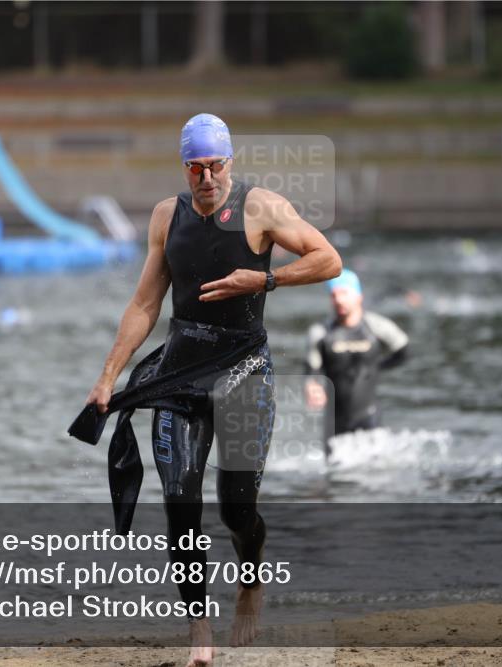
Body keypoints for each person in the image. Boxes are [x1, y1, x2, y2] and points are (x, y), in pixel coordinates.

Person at [80, 113, 341, 667]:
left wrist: (265, 278)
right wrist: (108, 376)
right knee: (180, 502)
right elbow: (145, 305)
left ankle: (250, 577)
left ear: (230, 162)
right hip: (180, 374)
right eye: (195, 167)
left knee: (236, 508)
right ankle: (199, 625)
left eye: (214, 166)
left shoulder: (261, 208)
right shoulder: (165, 216)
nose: (205, 177)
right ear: (185, 166)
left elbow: (328, 259)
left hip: (245, 368)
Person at [304, 269, 409, 455]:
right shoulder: (320, 332)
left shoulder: (377, 326)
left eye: (344, 293)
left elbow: (403, 352)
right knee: (334, 478)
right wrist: (313, 387)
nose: (339, 300)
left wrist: (378, 366)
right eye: (334, 295)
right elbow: (311, 369)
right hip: (335, 422)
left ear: (358, 296)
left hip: (369, 418)